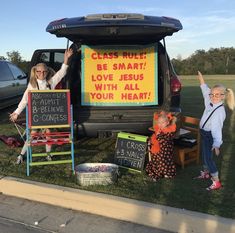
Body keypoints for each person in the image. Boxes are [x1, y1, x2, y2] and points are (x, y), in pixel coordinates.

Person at [9, 49, 73, 164]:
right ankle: (21, 155)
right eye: (39, 72)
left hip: (47, 115)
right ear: (35, 72)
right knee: (32, 136)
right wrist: (16, 113)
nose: (41, 74)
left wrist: (66, 59)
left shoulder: (50, 83)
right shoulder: (32, 85)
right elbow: (24, 100)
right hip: (36, 116)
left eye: (44, 72)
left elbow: (62, 72)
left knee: (48, 135)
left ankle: (48, 155)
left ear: (47, 72)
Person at [196, 71, 235, 190]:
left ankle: (216, 181)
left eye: (217, 95)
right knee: (205, 154)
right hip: (204, 133)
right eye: (212, 94)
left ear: (223, 96)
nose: (213, 96)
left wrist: (217, 144)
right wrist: (201, 77)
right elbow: (204, 88)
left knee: (208, 158)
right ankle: (206, 173)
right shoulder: (210, 100)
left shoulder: (219, 112)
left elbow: (217, 129)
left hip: (210, 136)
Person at [146, 111, 177, 181]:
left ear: (167, 123)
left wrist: (159, 135)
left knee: (164, 161)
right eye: (159, 123)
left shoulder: (169, 131)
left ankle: (167, 173)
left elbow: (165, 141)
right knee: (157, 160)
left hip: (165, 149)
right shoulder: (158, 129)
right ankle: (159, 171)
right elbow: (155, 137)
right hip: (158, 149)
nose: (160, 124)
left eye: (163, 123)